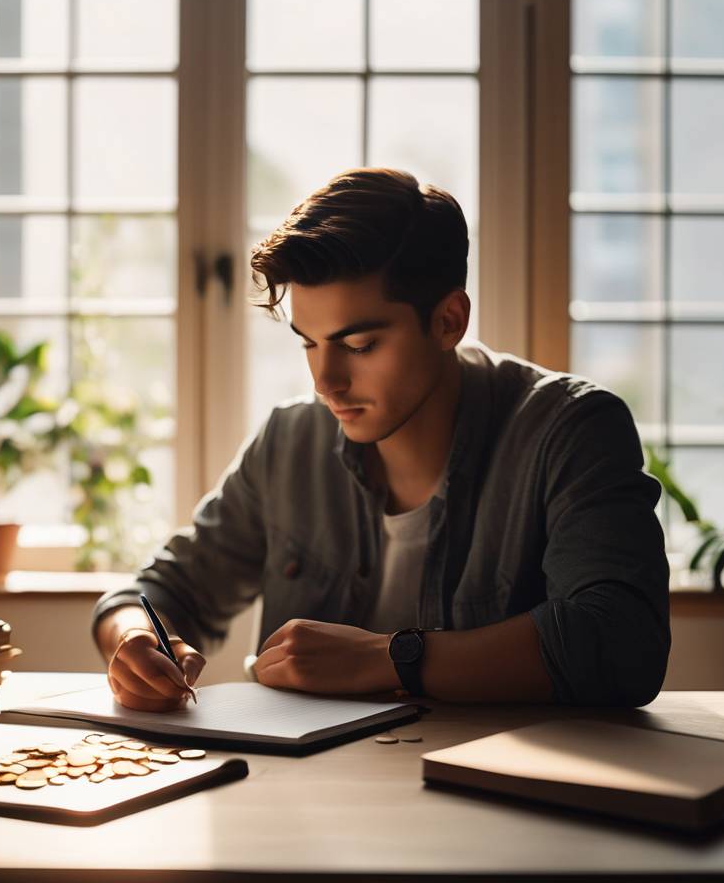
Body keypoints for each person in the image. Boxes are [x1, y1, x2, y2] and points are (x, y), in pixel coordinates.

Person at [92, 167, 670, 712]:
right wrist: (135, 640)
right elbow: (159, 592)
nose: (325, 381)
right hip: (306, 799)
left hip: (492, 804)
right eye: (308, 344)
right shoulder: (289, 443)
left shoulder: (571, 430)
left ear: (449, 320)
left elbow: (622, 642)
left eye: (360, 345)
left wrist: (385, 658)